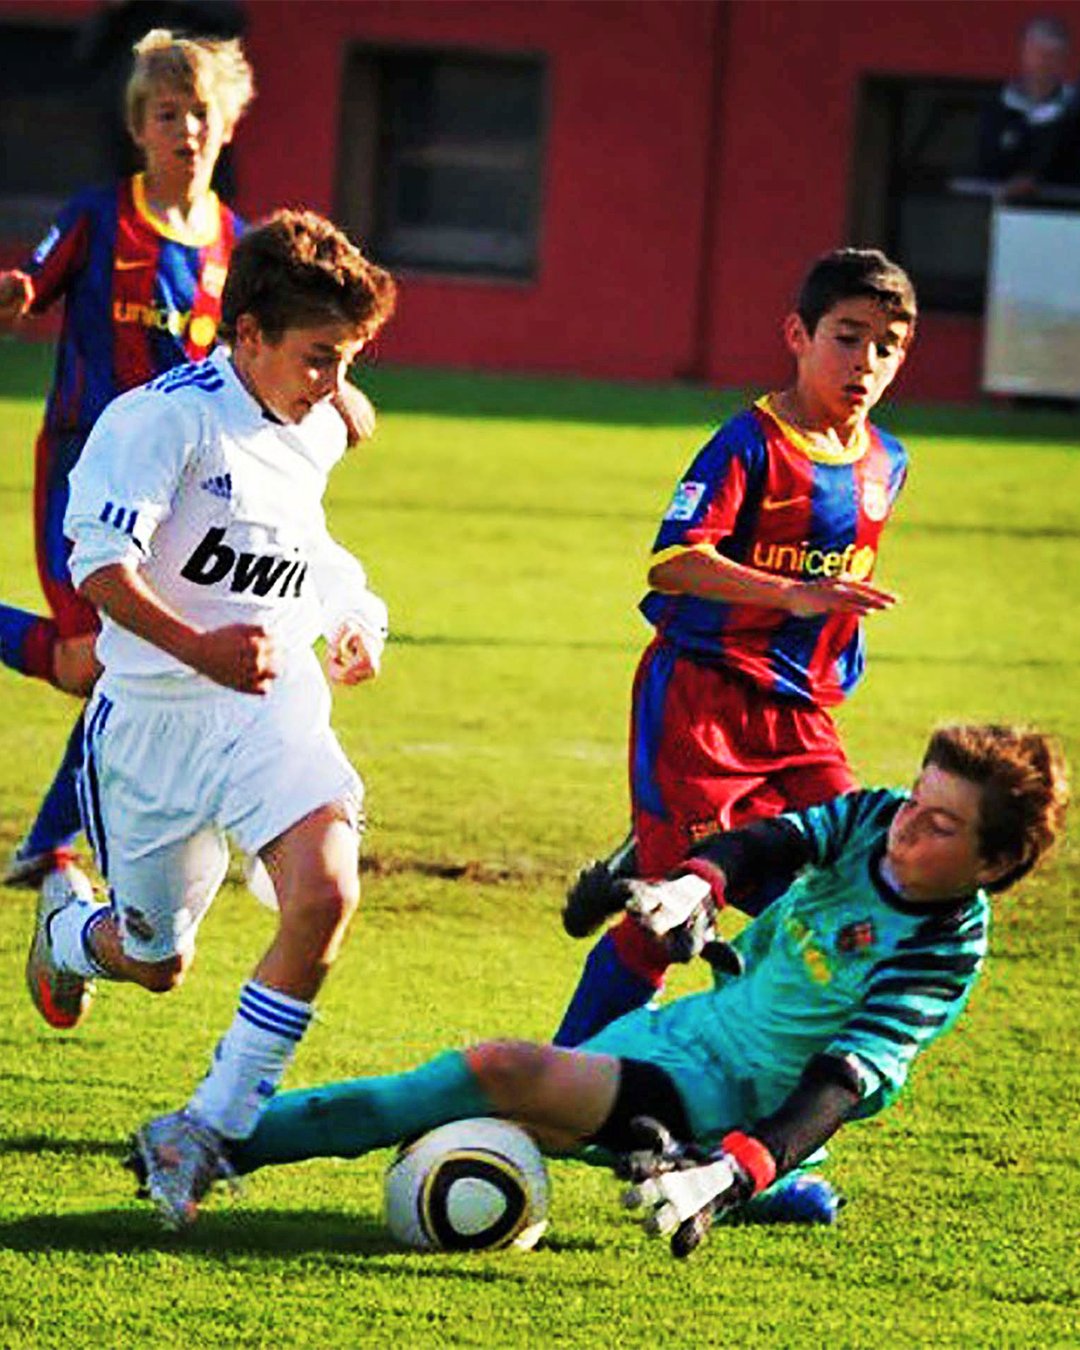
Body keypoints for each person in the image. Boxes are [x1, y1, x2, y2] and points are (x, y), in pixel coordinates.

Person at [170, 724, 1066, 1252]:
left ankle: (215, 1144)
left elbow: (841, 1079)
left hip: (726, 1093)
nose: (906, 826)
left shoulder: (940, 953)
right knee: (478, 1117)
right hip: (682, 1032)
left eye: (940, 825)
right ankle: (704, 1165)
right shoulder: (873, 817)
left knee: (494, 1072)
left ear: (992, 864)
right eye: (914, 802)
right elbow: (771, 842)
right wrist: (698, 884)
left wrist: (733, 1170)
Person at [25, 208, 397, 1231]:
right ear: (247, 336)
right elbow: (100, 569)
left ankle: (205, 1128)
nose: (336, 385)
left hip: (269, 709)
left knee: (326, 892)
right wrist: (200, 648)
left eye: (350, 360)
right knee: (157, 963)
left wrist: (352, 619)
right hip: (152, 722)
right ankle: (71, 931)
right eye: (320, 358)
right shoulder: (156, 423)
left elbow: (303, 537)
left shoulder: (315, 415)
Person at [0, 30, 376, 890]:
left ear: (229, 124)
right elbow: (28, 290)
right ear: (140, 128)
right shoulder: (98, 217)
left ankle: (48, 846)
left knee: (117, 658)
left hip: (198, 485)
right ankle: (51, 842)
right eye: (168, 114)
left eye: (202, 112)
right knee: (88, 659)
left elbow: (266, 349)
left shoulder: (238, 244)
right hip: (89, 462)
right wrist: (12, 296)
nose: (187, 130)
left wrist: (338, 387)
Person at [554, 248, 915, 1048]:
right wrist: (790, 593)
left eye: (887, 346)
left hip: (803, 716)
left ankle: (650, 869)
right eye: (847, 337)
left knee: (849, 880)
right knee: (678, 918)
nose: (866, 361)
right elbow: (673, 561)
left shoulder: (888, 461)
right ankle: (564, 1076)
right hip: (703, 702)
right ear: (798, 335)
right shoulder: (749, 443)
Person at [976, 16, 1080, 199]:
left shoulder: (1074, 111)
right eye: (1038, 53)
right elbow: (981, 166)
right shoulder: (998, 107)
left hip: (1063, 209)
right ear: (1024, 53)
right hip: (1001, 208)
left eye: (1053, 56)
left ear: (1065, 59)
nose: (1044, 63)